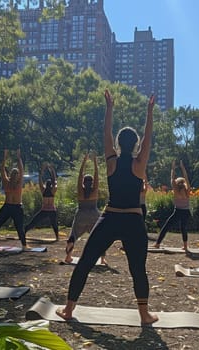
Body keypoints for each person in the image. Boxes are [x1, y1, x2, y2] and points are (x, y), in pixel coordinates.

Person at [56, 90, 158, 324]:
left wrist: (109, 108)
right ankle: (144, 315)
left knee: (85, 262)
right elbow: (148, 137)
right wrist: (149, 112)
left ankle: (69, 309)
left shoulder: (111, 162)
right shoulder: (139, 163)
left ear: (119, 144)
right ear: (136, 145)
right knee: (138, 270)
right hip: (133, 221)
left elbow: (106, 134)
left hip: (110, 218)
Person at [64, 153, 103, 264]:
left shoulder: (81, 191)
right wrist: (95, 162)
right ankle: (103, 259)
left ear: (83, 183)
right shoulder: (94, 191)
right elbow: (97, 176)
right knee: (99, 236)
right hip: (94, 215)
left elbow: (80, 175)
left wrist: (84, 162)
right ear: (91, 183)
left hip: (81, 215)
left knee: (73, 236)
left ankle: (68, 257)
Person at [153, 160, 191, 250]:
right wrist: (182, 168)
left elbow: (172, 179)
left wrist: (173, 168)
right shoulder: (187, 191)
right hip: (186, 212)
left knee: (166, 227)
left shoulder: (176, 191)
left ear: (177, 184)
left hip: (178, 211)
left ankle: (157, 244)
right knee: (183, 228)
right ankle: (185, 246)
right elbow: (186, 177)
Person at [23, 163, 59, 241]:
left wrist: (42, 170)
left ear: (46, 184)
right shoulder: (53, 191)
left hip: (44, 210)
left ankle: (24, 231)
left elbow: (40, 180)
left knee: (34, 221)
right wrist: (52, 170)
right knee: (54, 224)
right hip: (52, 210)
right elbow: (55, 180)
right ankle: (57, 237)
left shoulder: (43, 190)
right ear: (51, 185)